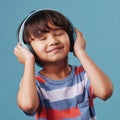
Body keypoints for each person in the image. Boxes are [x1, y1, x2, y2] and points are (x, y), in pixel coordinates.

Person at [14, 9, 113, 120]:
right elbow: (28, 105)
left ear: (72, 38)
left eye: (59, 34)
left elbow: (105, 92)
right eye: (42, 38)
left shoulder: (83, 75)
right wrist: (29, 61)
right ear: (29, 49)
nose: (53, 41)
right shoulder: (33, 82)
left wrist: (80, 52)